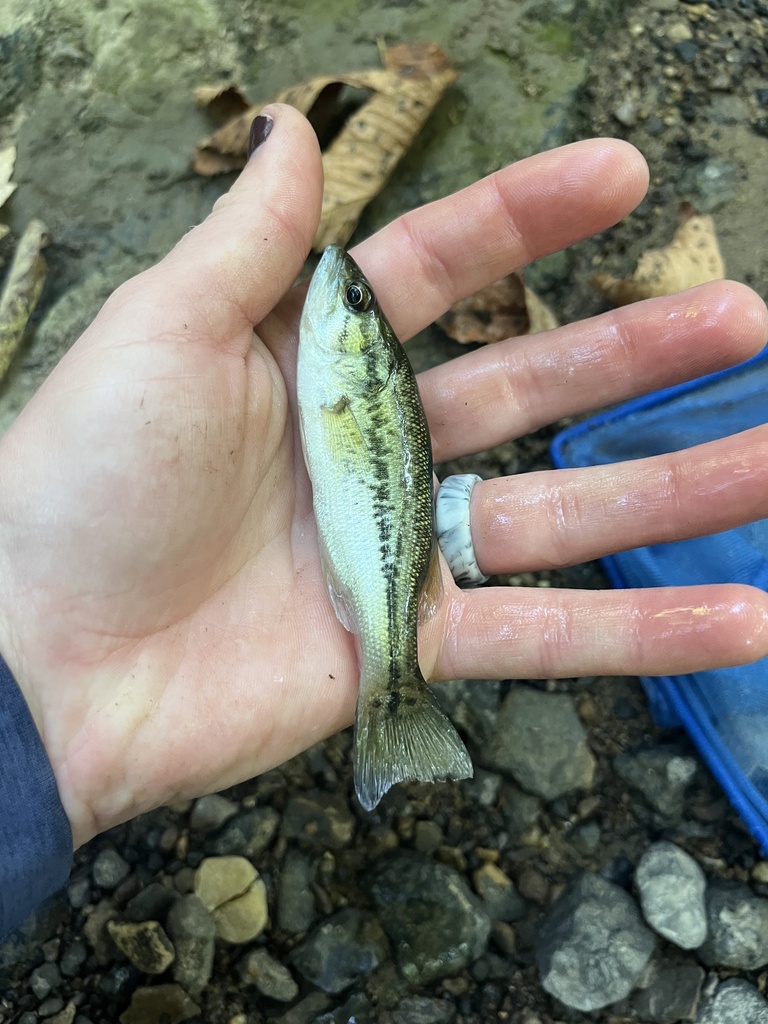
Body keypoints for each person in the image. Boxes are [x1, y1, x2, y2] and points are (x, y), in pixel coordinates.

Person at [1, 106, 767, 936]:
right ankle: (393, 698)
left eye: (356, 302)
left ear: (359, 344)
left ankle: (390, 692)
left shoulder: (342, 363)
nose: (343, 284)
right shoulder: (337, 362)